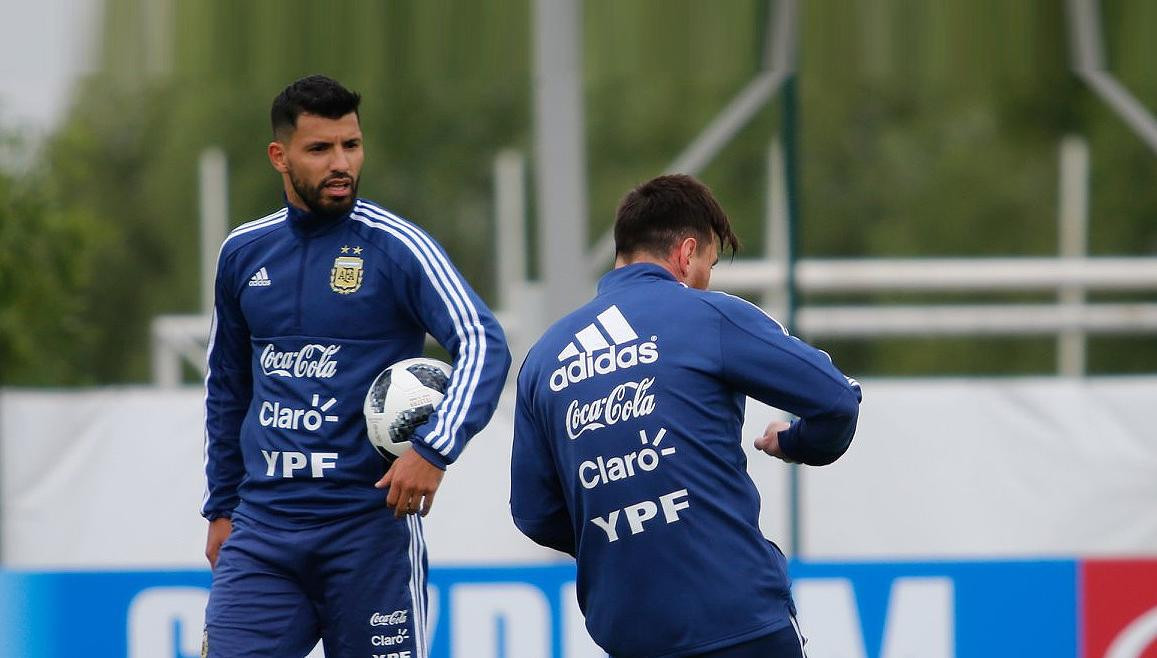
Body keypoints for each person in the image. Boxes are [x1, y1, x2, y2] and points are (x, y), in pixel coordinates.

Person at [201, 75, 511, 657]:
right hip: (263, 534)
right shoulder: (243, 253)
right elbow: (227, 389)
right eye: (320, 149)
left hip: (368, 534)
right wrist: (221, 506)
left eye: (351, 145)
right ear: (280, 156)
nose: (340, 162)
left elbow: (482, 342)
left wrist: (433, 449)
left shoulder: (397, 247)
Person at [510, 174, 861, 657]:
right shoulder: (706, 316)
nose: (706, 278)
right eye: (710, 264)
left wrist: (627, 525)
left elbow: (534, 513)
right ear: (687, 253)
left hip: (632, 634)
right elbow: (837, 401)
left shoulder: (543, 360)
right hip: (740, 623)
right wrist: (797, 442)